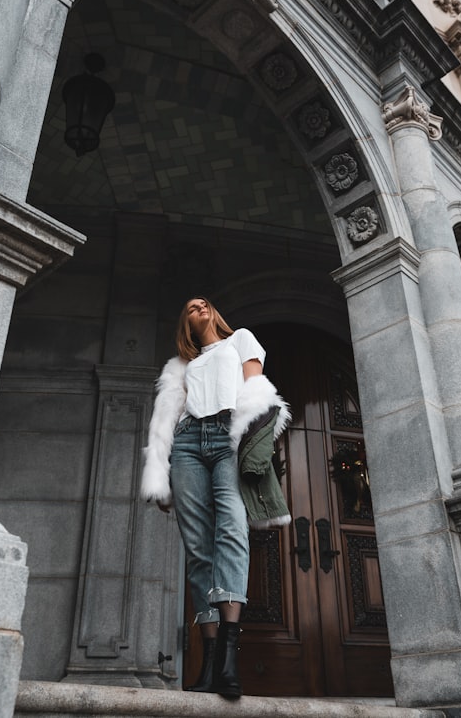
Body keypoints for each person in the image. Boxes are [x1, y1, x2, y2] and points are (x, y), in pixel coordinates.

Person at [141, 298, 291, 698]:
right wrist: (161, 469)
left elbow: (257, 391)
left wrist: (250, 442)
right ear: (185, 323)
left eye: (203, 303)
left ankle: (228, 654)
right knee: (197, 547)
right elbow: (166, 420)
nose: (199, 306)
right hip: (188, 443)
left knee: (232, 530)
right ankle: (209, 662)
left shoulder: (240, 340)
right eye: (190, 307)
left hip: (228, 436)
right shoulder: (180, 366)